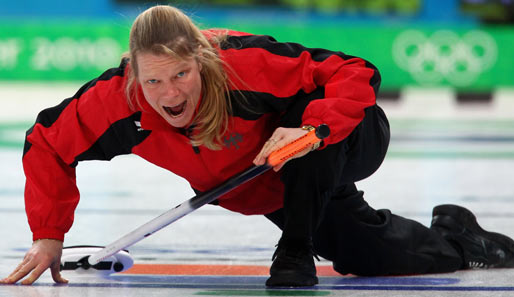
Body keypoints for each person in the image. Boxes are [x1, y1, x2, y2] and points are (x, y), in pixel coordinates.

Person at [2, 4, 514, 287]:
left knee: (303, 115)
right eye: (153, 82)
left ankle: (294, 250)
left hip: (343, 139)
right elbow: (45, 143)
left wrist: (312, 129)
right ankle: (461, 238)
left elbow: (353, 71)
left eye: (182, 74)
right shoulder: (114, 102)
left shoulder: (243, 65)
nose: (170, 93)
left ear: (201, 60)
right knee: (368, 255)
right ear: (132, 72)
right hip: (272, 188)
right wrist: (49, 234)